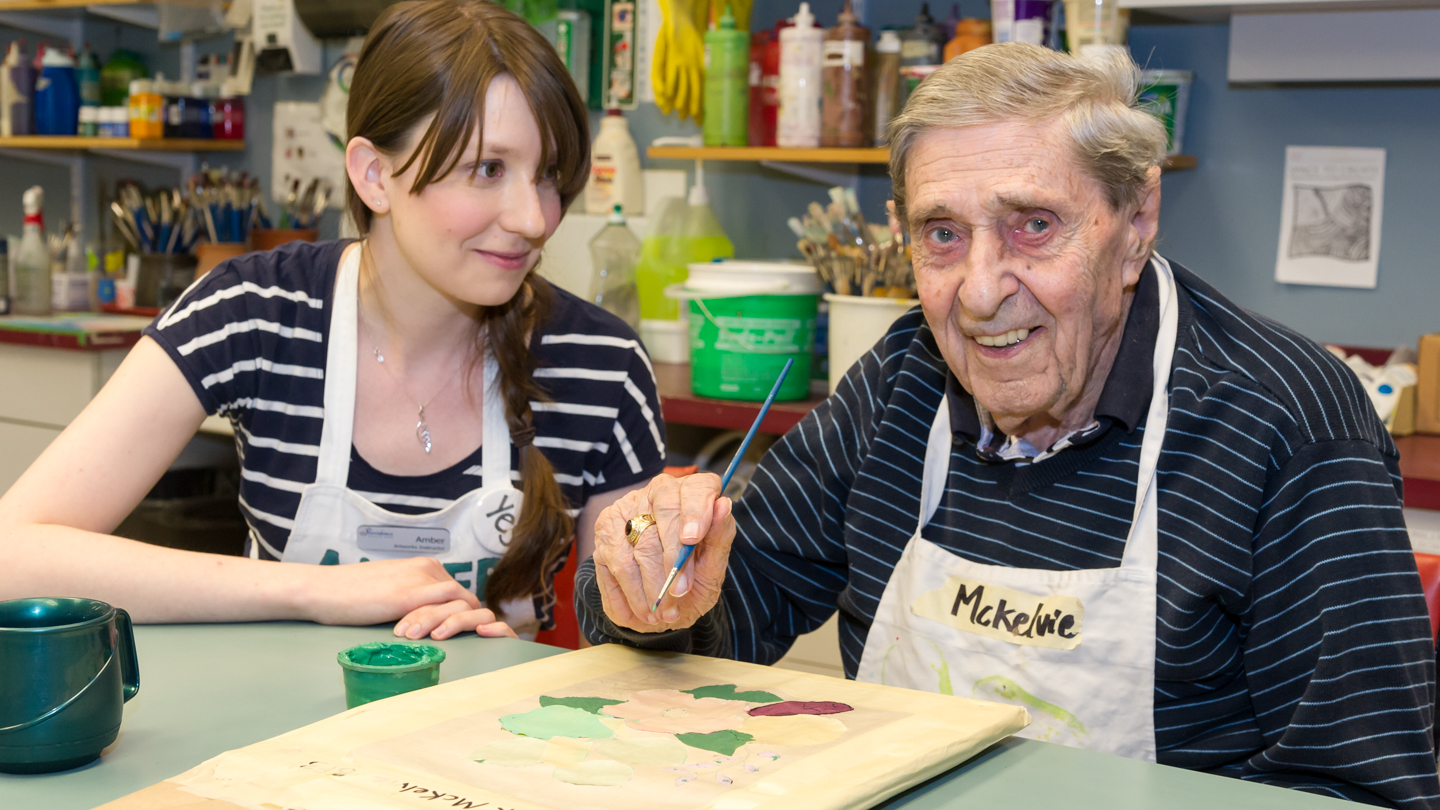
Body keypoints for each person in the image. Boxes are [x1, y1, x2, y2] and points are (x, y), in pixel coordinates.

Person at [578, 43, 1439, 806]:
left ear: (1136, 223)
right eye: (942, 235)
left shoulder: (1285, 421)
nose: (982, 291)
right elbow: (729, 611)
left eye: (1033, 226)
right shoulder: (904, 379)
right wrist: (651, 591)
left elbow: (1360, 786)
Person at [0, 0, 665, 642]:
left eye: (549, 174)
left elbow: (638, 636)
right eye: (488, 169)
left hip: (491, 748)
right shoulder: (254, 312)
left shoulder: (600, 364)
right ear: (375, 175)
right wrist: (313, 592)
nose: (534, 218)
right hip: (282, 744)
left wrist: (672, 600)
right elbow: (12, 558)